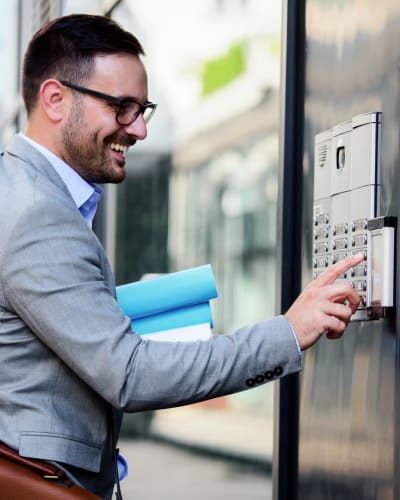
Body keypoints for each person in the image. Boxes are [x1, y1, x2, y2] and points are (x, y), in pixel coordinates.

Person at [0, 13, 364, 500]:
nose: (139, 130)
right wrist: (290, 332)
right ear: (55, 99)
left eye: (141, 109)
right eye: (121, 107)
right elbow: (129, 375)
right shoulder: (37, 212)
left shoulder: (24, 191)